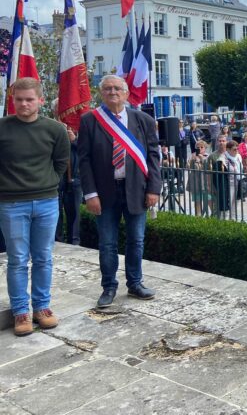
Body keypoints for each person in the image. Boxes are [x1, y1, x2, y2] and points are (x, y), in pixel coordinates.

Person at [78, 75, 162, 308]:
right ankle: (109, 286)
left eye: (117, 88)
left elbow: (154, 157)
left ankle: (135, 283)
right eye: (107, 89)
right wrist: (90, 194)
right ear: (101, 93)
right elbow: (83, 161)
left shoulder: (143, 120)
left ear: (126, 93)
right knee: (107, 243)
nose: (113, 92)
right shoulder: (90, 120)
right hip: (104, 193)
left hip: (137, 189)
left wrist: (154, 188)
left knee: (136, 240)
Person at [0, 78, 69, 336]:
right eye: (19, 99)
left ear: (40, 100)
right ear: (13, 100)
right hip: (11, 204)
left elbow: (61, 161)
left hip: (46, 201)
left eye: (29, 99)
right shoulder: (2, 128)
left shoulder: (55, 130)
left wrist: (48, 182)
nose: (24, 104)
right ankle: (21, 312)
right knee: (17, 259)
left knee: (43, 257)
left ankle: (42, 307)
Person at [52, 98, 82, 246]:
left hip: (75, 177)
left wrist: (74, 140)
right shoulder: (49, 127)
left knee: (74, 214)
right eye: (60, 108)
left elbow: (87, 150)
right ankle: (57, 243)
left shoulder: (79, 128)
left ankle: (74, 244)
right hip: (55, 178)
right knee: (54, 213)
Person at [187, 139, 213, 216]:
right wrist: (192, 160)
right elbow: (189, 168)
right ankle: (198, 218)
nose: (200, 149)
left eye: (202, 147)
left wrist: (202, 160)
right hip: (196, 182)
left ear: (205, 148)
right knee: (197, 202)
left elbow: (209, 168)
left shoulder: (208, 156)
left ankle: (214, 217)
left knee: (209, 200)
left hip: (206, 182)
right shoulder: (193, 156)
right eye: (198, 147)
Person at [209, 135, 230, 214]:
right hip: (218, 182)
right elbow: (208, 172)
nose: (221, 143)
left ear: (226, 142)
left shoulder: (230, 153)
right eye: (220, 141)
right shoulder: (212, 155)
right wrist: (209, 185)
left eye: (223, 141)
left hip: (230, 181)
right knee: (219, 203)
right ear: (217, 142)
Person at [224, 140, 244, 208]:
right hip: (230, 182)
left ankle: (233, 217)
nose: (237, 151)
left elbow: (241, 167)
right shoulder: (224, 157)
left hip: (239, 180)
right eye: (234, 149)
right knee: (230, 200)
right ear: (228, 149)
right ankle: (227, 217)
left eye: (237, 149)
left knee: (236, 200)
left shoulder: (238, 156)